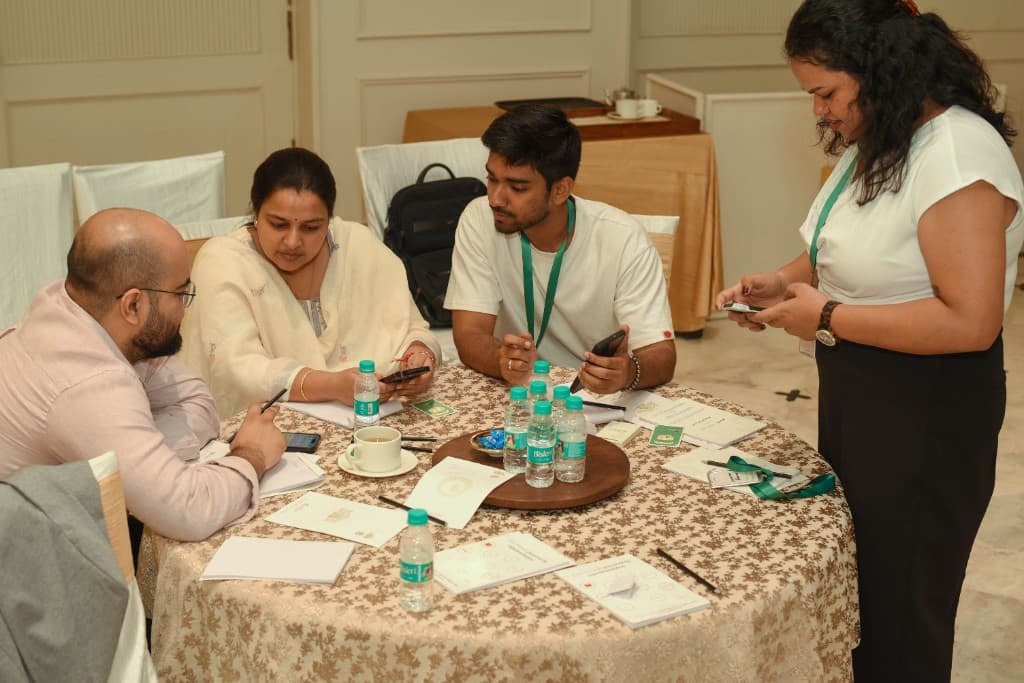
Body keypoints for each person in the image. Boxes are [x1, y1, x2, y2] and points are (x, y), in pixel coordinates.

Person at [715, 1, 1023, 679]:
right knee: (862, 588)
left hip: (928, 409)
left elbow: (970, 321)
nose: (819, 111)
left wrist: (826, 318)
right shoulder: (884, 135)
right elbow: (842, 248)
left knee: (902, 606)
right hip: (863, 387)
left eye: (826, 92)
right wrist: (782, 283)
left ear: (880, 69)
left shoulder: (957, 153)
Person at [0, 208, 286, 542]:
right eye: (181, 293)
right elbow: (189, 511)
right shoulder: (89, 383)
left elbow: (197, 400)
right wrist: (252, 454)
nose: (185, 308)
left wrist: (143, 456)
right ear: (133, 305)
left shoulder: (75, 308)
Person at [181, 147, 442, 418]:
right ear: (256, 213)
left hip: (371, 418)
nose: (293, 242)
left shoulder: (357, 246)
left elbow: (413, 328)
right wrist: (332, 386)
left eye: (311, 228)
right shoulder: (223, 262)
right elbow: (237, 369)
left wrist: (418, 356)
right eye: (278, 225)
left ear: (329, 221)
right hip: (264, 428)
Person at [445, 104, 676, 393]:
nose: (496, 199)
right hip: (521, 392)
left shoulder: (624, 239)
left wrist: (628, 372)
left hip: (592, 397)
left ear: (560, 190)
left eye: (517, 188)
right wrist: (500, 360)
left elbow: (661, 355)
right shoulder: (479, 219)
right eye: (492, 179)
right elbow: (469, 334)